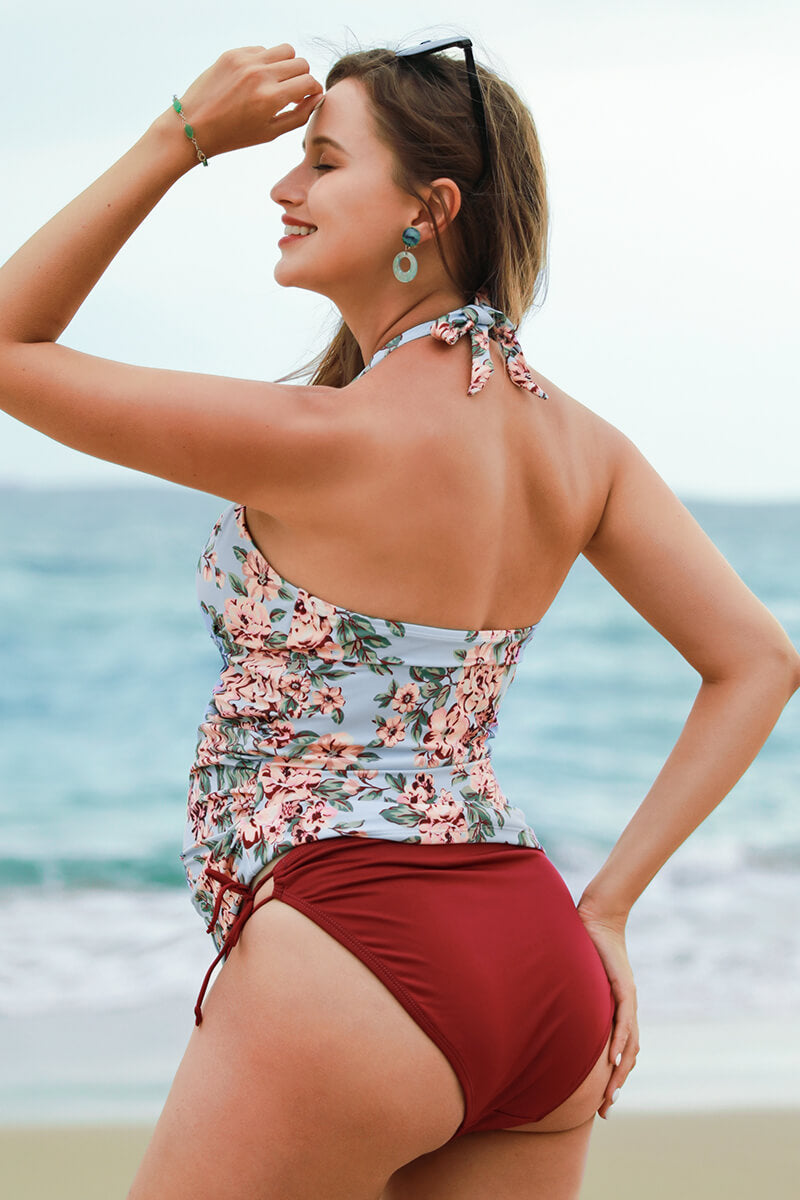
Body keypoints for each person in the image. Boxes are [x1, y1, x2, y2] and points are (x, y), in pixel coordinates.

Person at [0, 37, 797, 1200]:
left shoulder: (316, 438)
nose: (283, 188)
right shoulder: (584, 447)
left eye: (322, 162)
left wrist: (180, 137)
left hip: (353, 959)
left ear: (430, 207)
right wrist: (609, 908)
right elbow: (757, 661)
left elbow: (8, 346)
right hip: (540, 970)